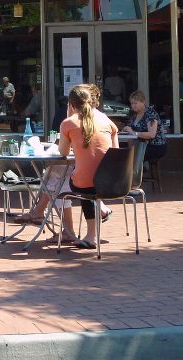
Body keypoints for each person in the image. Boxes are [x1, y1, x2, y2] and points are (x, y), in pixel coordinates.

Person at [58, 85, 120, 248]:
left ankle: (86, 234)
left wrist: (68, 118)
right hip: (114, 183)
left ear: (71, 105)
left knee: (77, 181)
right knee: (89, 180)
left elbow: (63, 151)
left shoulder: (68, 123)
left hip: (87, 184)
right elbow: (116, 153)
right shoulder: (108, 121)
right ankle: (101, 209)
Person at [121, 90, 167, 166]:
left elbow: (152, 134)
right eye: (132, 103)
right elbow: (132, 133)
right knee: (124, 152)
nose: (133, 105)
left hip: (155, 146)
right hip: (141, 144)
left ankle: (137, 172)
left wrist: (134, 133)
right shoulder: (134, 116)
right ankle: (136, 170)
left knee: (133, 154)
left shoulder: (150, 114)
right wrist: (126, 130)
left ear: (143, 102)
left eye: (136, 103)